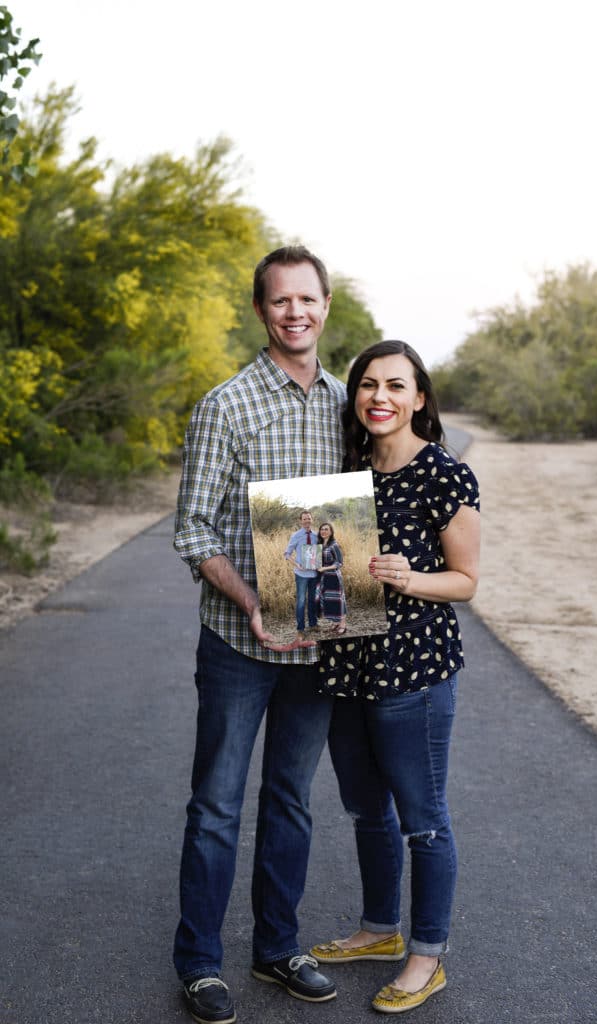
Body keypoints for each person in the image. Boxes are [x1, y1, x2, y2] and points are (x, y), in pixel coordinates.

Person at [173, 245, 346, 1024]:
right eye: (280, 301)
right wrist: (252, 600)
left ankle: (278, 948)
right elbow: (192, 531)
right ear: (261, 310)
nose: (295, 313)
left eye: (307, 299)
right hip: (240, 645)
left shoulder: (350, 403)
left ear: (326, 305)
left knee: (292, 803)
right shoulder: (226, 405)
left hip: (319, 647)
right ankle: (201, 965)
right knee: (215, 804)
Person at [311, 340, 481, 1014]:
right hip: (347, 664)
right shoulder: (346, 475)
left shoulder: (445, 474)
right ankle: (379, 931)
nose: (379, 396)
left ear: (418, 399)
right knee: (364, 810)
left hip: (415, 672)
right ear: (356, 397)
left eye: (395, 385)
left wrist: (411, 577)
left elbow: (466, 581)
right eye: (367, 385)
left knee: (424, 821)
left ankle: (427, 956)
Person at [284, 510, 320, 632]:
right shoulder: (296, 535)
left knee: (312, 600)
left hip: (314, 574)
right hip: (301, 574)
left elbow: (318, 553)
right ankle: (300, 628)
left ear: (312, 519)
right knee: (301, 601)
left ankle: (313, 624)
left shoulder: (316, 536)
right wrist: (297, 565)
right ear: (301, 521)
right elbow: (287, 554)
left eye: (309, 518)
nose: (307, 521)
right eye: (304, 519)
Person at [315, 522, 347, 635]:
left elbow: (339, 563)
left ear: (331, 532)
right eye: (321, 529)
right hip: (324, 578)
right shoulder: (320, 545)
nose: (323, 531)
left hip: (334, 577)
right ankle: (335, 623)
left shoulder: (334, 545)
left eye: (326, 529)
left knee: (338, 600)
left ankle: (343, 624)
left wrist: (325, 568)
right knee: (329, 600)